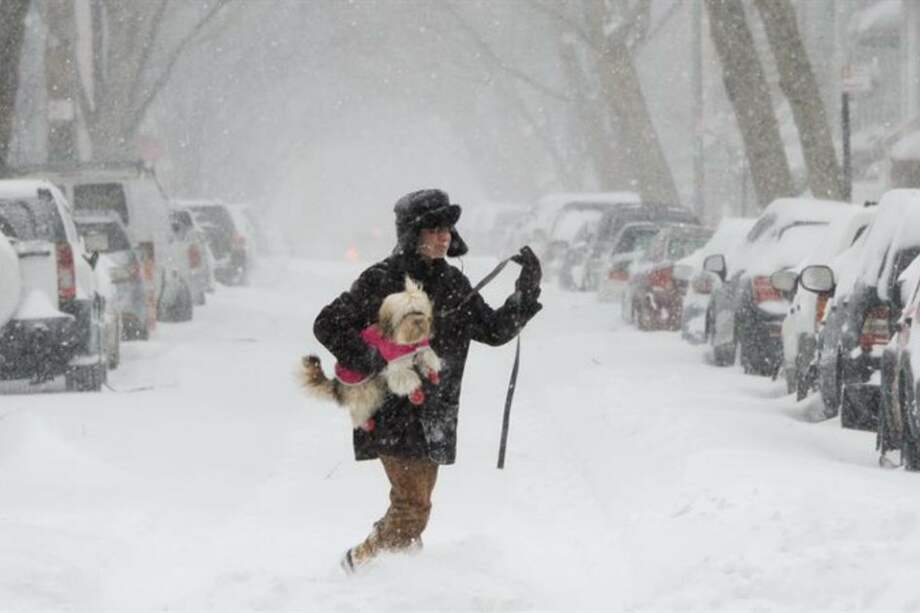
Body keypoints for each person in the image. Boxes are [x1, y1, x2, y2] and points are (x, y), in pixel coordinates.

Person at [313, 188, 543, 572]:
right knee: (412, 508)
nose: (444, 237)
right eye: (434, 229)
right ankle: (360, 565)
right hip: (390, 410)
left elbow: (494, 330)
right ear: (412, 233)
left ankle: (396, 577)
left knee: (414, 506)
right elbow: (327, 324)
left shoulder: (454, 283)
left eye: (447, 229)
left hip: (436, 412)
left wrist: (526, 290)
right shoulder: (380, 280)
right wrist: (373, 359)